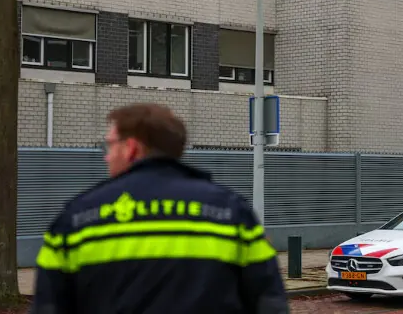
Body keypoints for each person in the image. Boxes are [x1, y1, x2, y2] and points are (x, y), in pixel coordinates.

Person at [30, 103, 289, 314]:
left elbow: (48, 306)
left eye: (110, 145)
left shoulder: (77, 219)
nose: (106, 156)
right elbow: (270, 302)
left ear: (131, 148)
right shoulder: (231, 213)